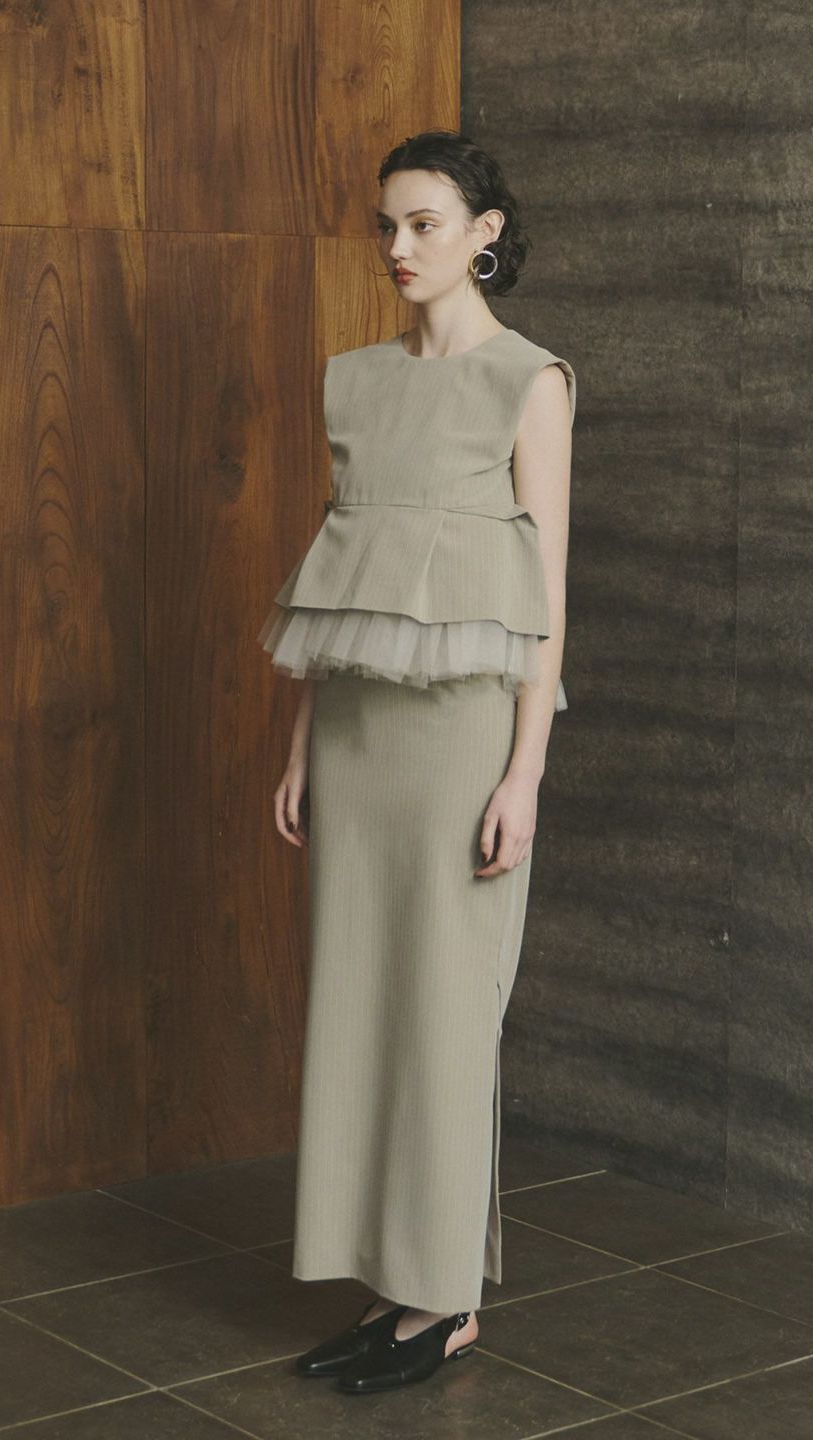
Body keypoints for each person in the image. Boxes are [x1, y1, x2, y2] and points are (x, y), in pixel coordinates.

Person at [257, 128, 575, 1394]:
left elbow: (548, 598)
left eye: (425, 224)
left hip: (462, 742)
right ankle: (395, 1285)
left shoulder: (528, 383)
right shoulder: (356, 381)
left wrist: (525, 772)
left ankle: (446, 1303)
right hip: (356, 736)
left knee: (446, 1010)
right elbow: (337, 579)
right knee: (360, 1004)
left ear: (484, 233)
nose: (398, 247)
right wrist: (301, 744)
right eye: (387, 224)